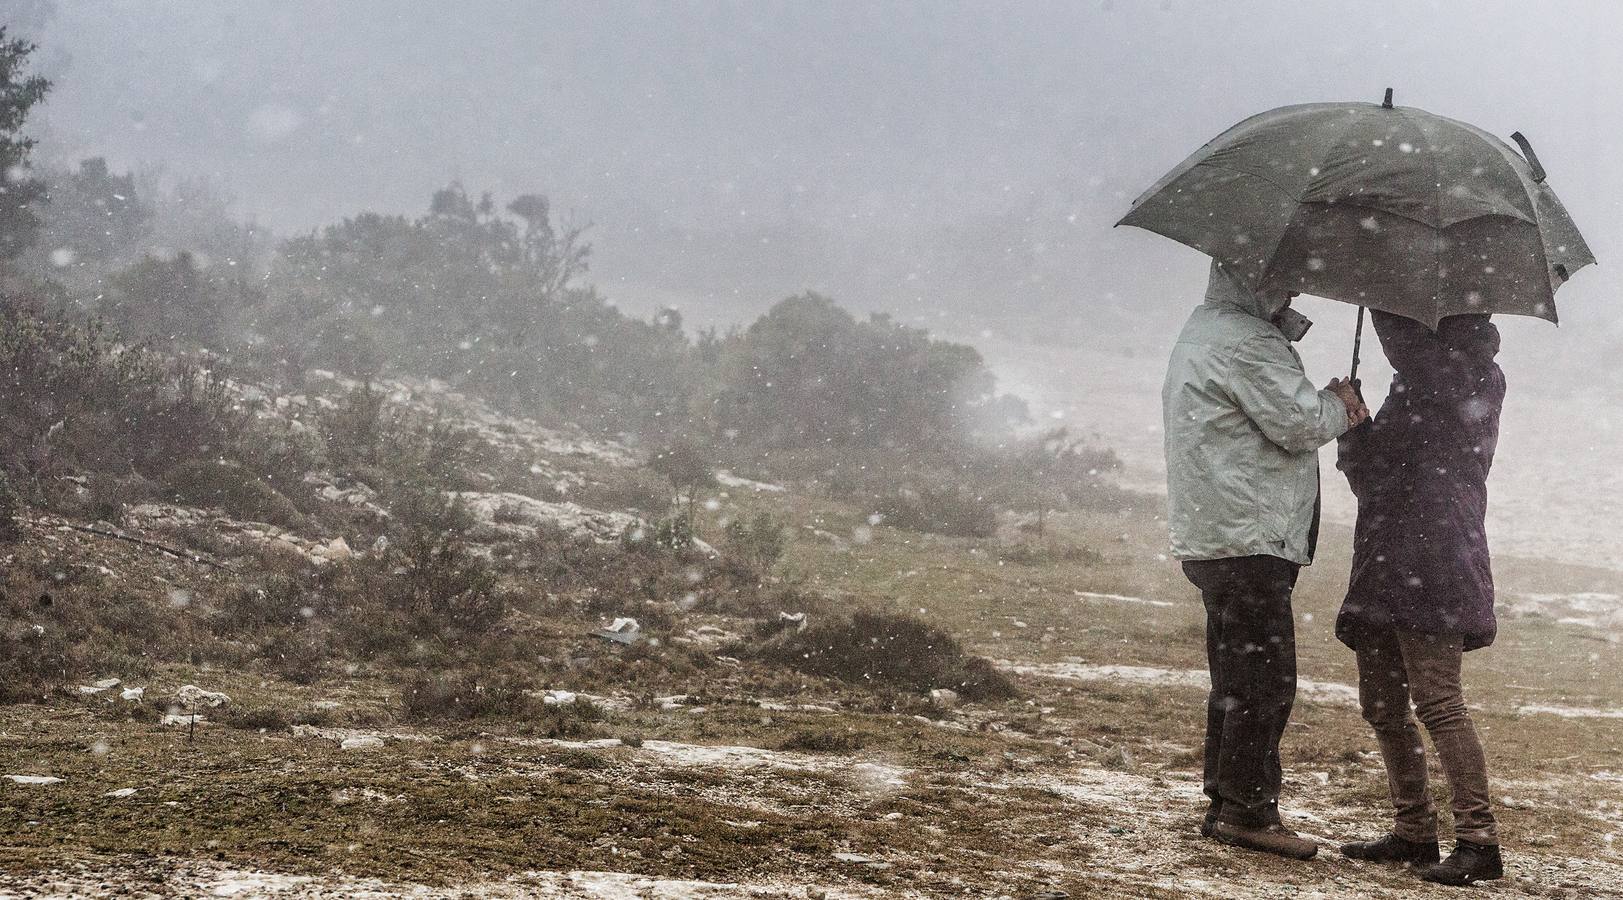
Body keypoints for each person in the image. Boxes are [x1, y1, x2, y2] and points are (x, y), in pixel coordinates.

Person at [1163, 260, 1366, 861]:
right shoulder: (1248, 342)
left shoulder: (1206, 328)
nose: (1295, 288)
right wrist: (1339, 403)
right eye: (1284, 281)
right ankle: (1248, 809)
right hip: (1250, 533)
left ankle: (1227, 799)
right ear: (1257, 281)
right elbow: (1299, 423)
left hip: (1214, 530)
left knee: (1233, 675)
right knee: (1264, 680)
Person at [1335, 311, 1506, 887]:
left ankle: (1479, 841)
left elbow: (1386, 468)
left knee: (1437, 702)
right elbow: (1378, 476)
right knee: (1382, 704)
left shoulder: (1452, 375)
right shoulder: (1431, 374)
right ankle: (1413, 830)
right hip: (1397, 556)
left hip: (1430, 559)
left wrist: (1352, 421)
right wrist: (1357, 424)